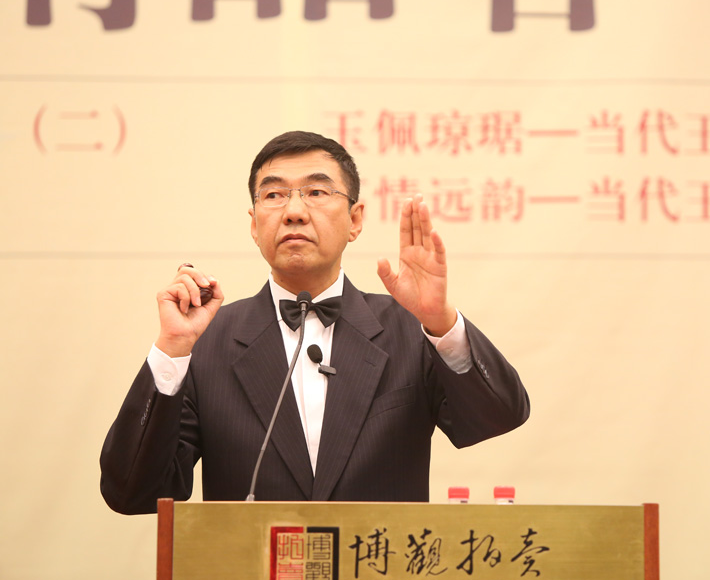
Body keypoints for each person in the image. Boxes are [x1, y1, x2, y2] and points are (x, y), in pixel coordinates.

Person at [100, 131, 529, 514]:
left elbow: (497, 418)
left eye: (317, 192)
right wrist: (172, 349)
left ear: (355, 220)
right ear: (254, 225)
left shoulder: (408, 330)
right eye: (274, 195)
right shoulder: (208, 340)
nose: (294, 211)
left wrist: (442, 324)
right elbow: (134, 493)